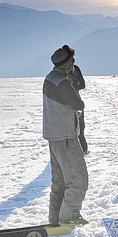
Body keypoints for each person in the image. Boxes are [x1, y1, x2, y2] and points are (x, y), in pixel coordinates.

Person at [43, 45, 88, 225]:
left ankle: (55, 220)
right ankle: (68, 219)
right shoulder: (62, 81)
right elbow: (78, 103)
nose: (74, 63)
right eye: (72, 60)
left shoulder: (50, 77)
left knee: (60, 183)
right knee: (78, 180)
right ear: (68, 63)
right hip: (66, 136)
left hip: (54, 136)